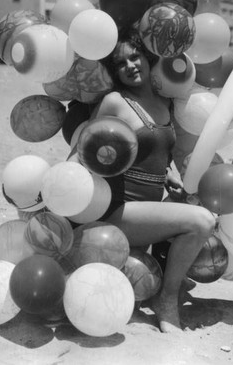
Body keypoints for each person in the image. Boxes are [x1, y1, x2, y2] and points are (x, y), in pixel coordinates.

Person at [69, 30, 215, 333]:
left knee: (203, 202)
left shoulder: (166, 103)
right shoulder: (115, 102)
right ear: (115, 72)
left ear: (147, 58)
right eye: (121, 63)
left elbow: (157, 150)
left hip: (147, 210)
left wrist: (170, 175)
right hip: (118, 211)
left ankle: (165, 278)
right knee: (202, 222)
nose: (131, 66)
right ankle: (167, 300)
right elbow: (79, 152)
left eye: (135, 57)